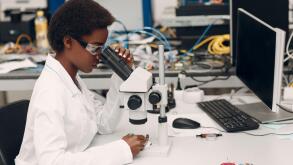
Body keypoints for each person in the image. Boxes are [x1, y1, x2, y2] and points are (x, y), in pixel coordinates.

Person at [15, 0, 147, 165]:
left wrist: (120, 72)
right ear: (68, 41)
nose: (99, 56)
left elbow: (103, 124)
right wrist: (120, 151)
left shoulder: (71, 79)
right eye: (94, 48)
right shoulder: (50, 92)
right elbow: (52, 161)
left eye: (102, 48)